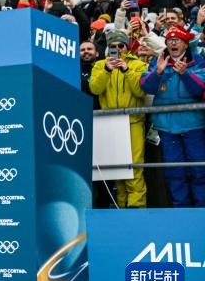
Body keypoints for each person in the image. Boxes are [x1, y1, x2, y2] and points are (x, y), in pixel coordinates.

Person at [139, 27, 205, 207]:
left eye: (178, 40)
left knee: (199, 169)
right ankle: (181, 209)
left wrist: (186, 74)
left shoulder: (198, 60)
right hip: (167, 126)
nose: (173, 43)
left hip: (193, 124)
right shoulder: (158, 60)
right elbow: (145, 86)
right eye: (170, 40)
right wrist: (158, 72)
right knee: (174, 171)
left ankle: (202, 209)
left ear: (186, 44)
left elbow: (199, 88)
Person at [88, 31, 149, 208]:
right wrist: (107, 70)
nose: (117, 49)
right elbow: (95, 89)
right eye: (112, 46)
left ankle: (137, 208)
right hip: (110, 123)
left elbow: (141, 92)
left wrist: (126, 70)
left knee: (134, 167)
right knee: (117, 169)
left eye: (120, 46)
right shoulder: (100, 65)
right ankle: (121, 206)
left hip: (133, 121)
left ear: (127, 46)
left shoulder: (138, 65)